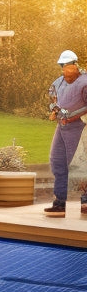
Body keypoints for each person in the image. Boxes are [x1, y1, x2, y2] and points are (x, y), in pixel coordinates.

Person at [44, 49, 87, 217]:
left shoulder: (84, 82)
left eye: (68, 65)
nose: (65, 69)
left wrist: (72, 114)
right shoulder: (58, 82)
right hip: (61, 127)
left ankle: (85, 201)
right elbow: (52, 99)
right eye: (63, 66)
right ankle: (60, 202)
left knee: (80, 165)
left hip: (78, 127)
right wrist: (54, 110)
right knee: (57, 161)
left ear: (75, 65)